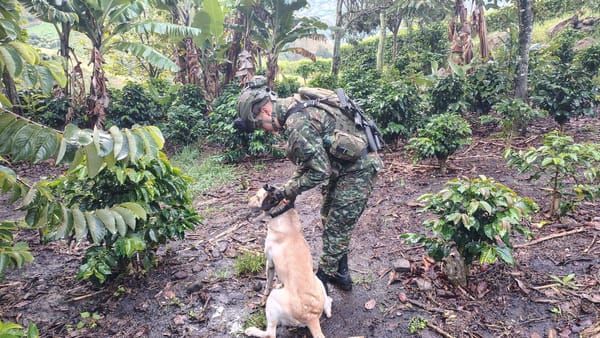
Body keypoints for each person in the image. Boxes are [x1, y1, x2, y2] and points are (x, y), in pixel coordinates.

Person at [234, 76, 383, 294]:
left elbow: (318, 172)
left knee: (336, 227)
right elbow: (311, 162)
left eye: (260, 125)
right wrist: (286, 188)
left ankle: (318, 289)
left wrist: (287, 191)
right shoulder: (294, 107)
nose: (265, 130)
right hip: (345, 166)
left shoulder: (297, 123)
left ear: (265, 112)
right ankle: (342, 275)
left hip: (359, 170)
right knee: (327, 215)